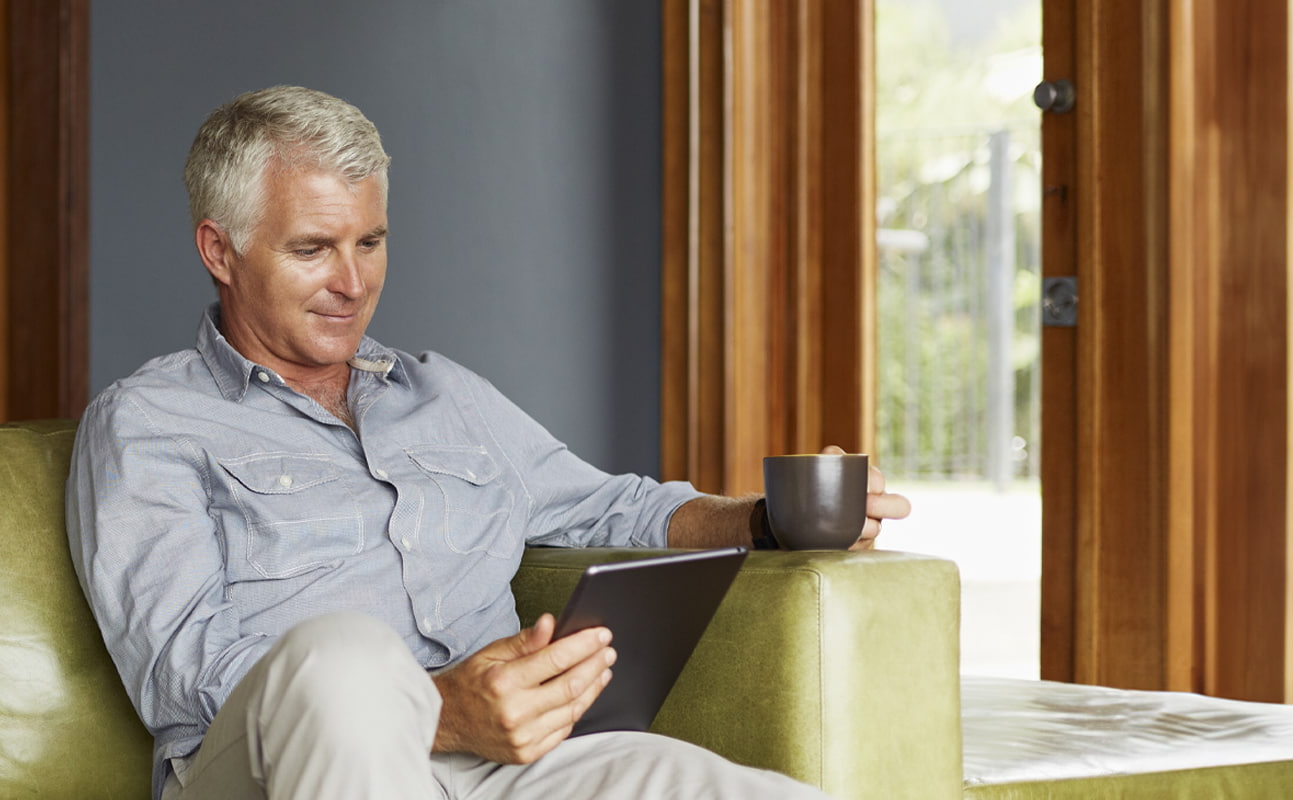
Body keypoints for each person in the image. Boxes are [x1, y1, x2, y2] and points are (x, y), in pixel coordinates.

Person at [67, 85, 912, 800]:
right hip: (277, 770)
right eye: (313, 250)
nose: (353, 283)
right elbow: (183, 670)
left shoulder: (444, 396)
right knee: (343, 652)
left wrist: (766, 520)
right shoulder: (147, 422)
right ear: (220, 249)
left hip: (502, 766)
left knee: (703, 785)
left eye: (370, 242)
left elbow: (613, 507)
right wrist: (434, 707)